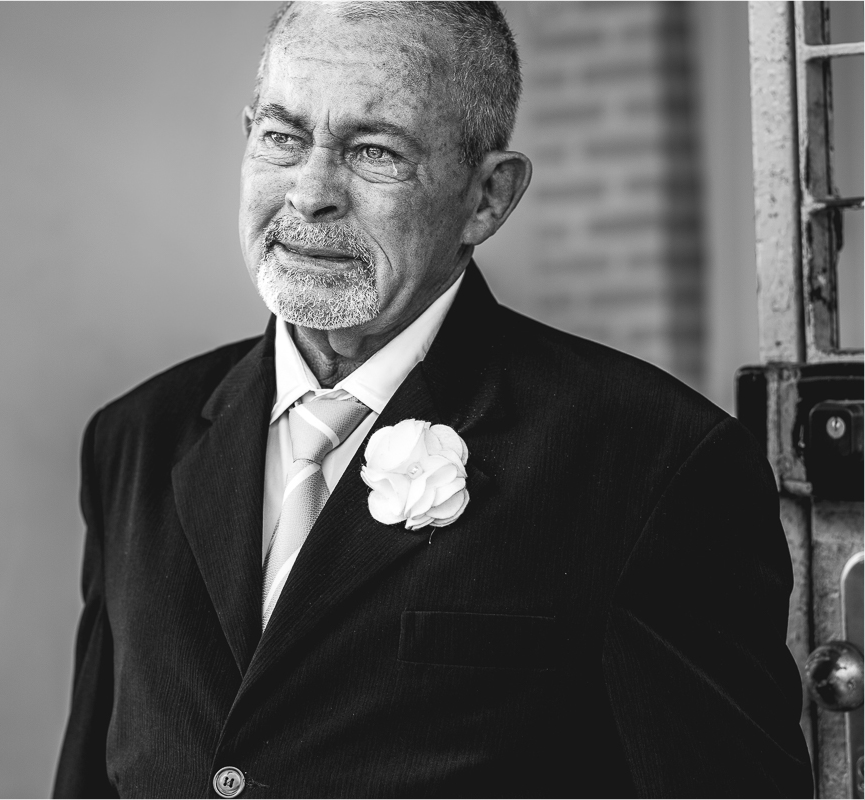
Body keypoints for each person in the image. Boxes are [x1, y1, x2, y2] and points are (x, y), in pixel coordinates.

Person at [53, 2, 813, 797]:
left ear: (487, 198)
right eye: (282, 137)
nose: (310, 194)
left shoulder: (653, 463)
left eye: (374, 151)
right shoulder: (137, 440)